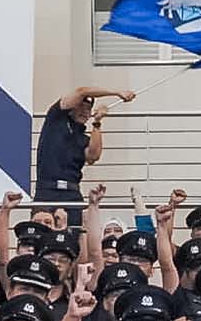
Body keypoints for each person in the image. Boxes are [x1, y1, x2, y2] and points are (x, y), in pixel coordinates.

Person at [34, 85, 134, 222]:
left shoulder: (83, 138)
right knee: (41, 233)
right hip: (47, 190)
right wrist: (116, 92)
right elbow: (81, 91)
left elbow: (93, 156)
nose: (85, 111)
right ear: (72, 108)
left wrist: (97, 122)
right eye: (80, 106)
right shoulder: (56, 118)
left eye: (88, 108)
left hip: (72, 192)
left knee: (75, 236)